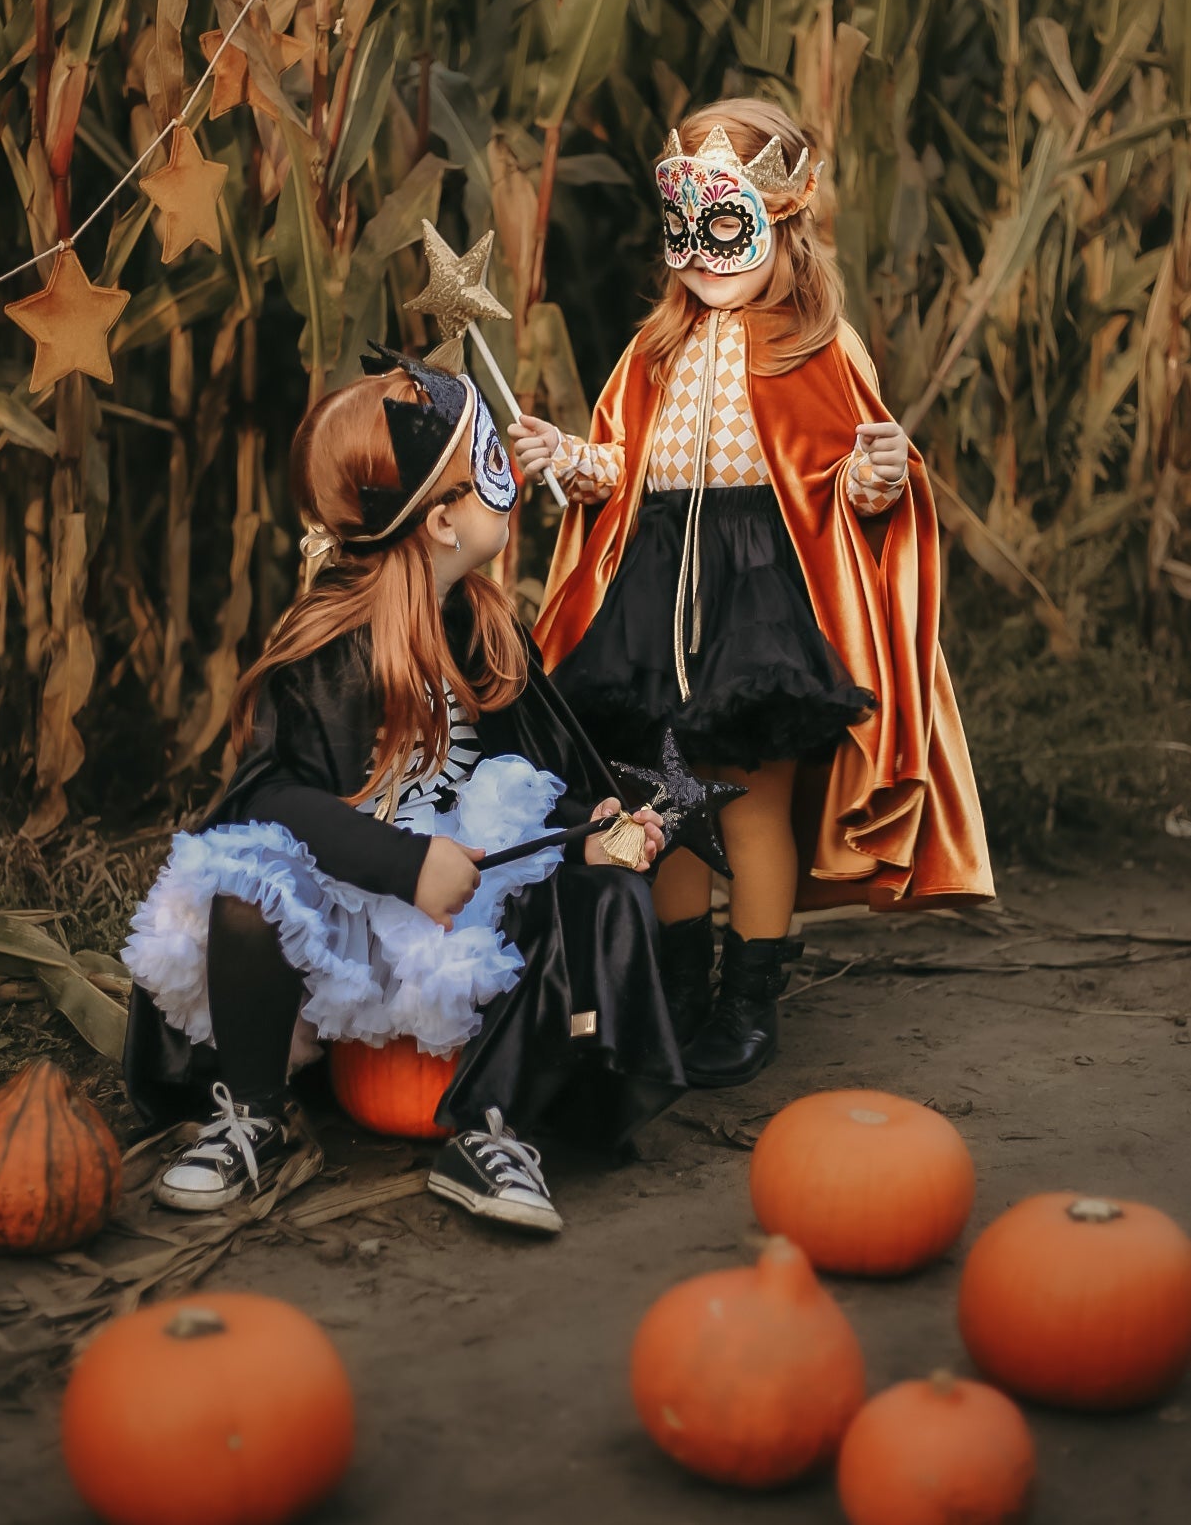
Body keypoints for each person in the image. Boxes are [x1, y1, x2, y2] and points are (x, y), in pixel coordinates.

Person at [122, 352, 682, 1234]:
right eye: (487, 470)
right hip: (348, 919)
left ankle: (493, 1122)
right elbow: (266, 795)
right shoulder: (325, 642)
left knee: (605, 895)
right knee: (243, 880)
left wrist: (589, 828)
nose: (509, 487)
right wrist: (403, 862)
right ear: (440, 522)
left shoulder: (489, 629)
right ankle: (254, 1112)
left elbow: (535, 776)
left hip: (473, 921)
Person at [510, 97, 994, 1090]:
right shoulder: (652, 349)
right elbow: (622, 465)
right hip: (651, 591)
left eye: (723, 226)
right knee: (663, 796)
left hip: (760, 598)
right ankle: (680, 981)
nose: (700, 253)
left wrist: (879, 474)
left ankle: (748, 991)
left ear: (780, 217)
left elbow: (842, 491)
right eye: (682, 231)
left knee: (745, 801)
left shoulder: (816, 347)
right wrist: (569, 456)